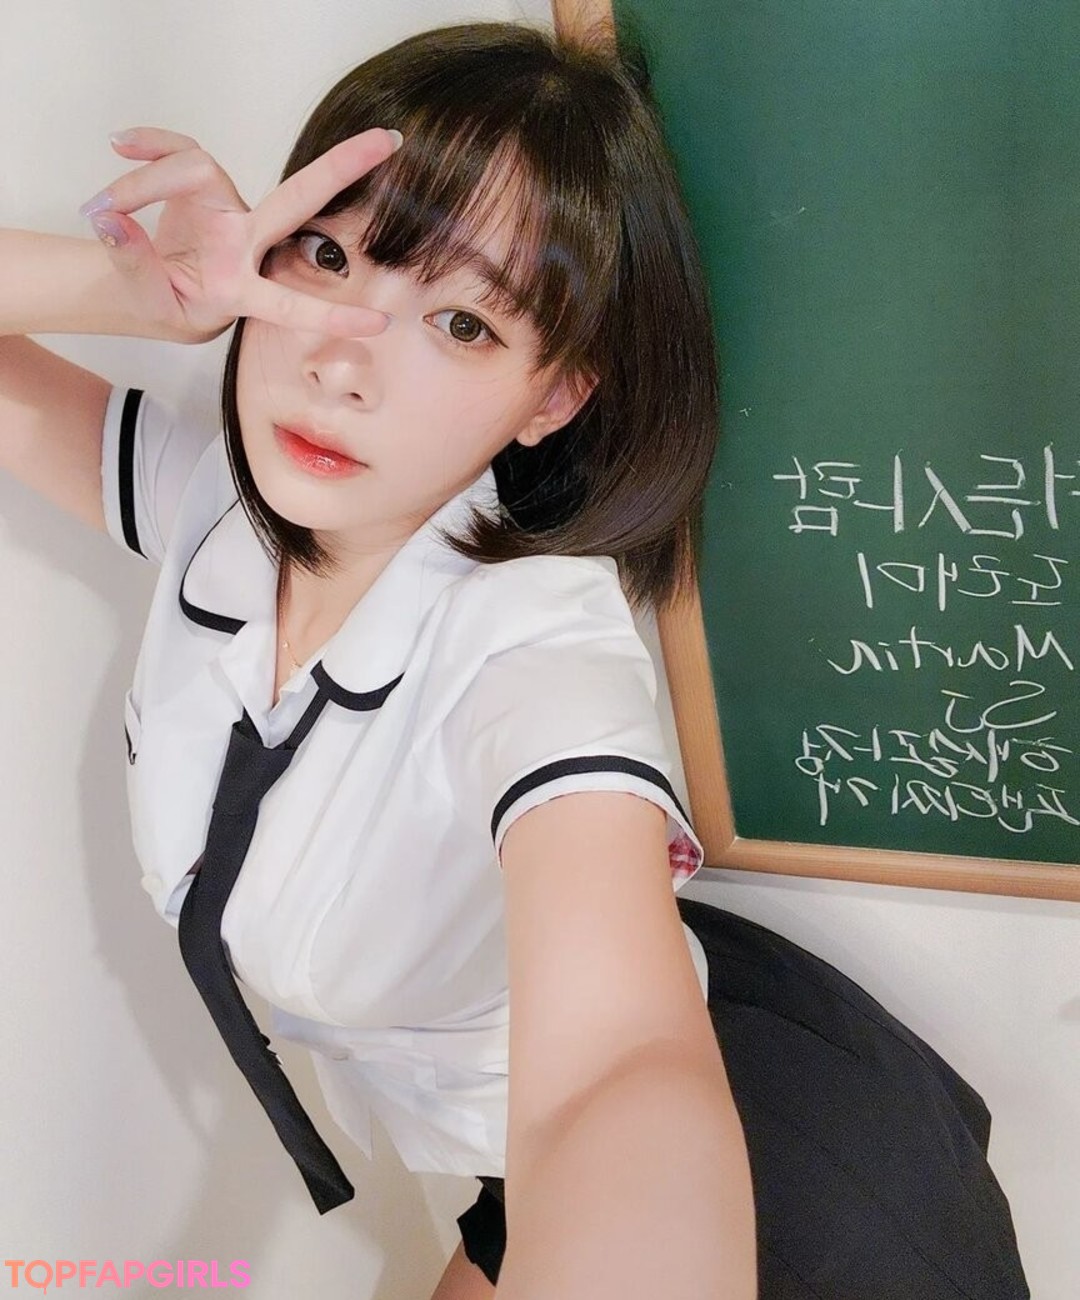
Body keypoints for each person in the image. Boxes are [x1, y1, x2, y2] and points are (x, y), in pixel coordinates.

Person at [0, 19, 1028, 1300]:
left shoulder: (535, 647)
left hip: (763, 1203)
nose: (341, 360)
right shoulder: (220, 510)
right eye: (328, 255)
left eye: (463, 323)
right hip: (498, 1172)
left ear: (553, 395)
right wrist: (142, 299)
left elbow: (615, 1074)